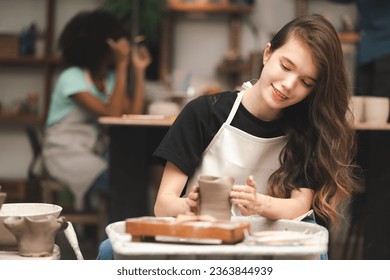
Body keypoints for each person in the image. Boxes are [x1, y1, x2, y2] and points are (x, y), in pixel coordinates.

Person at [97, 14, 358, 259]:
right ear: (268, 54)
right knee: (110, 249)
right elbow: (163, 205)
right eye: (286, 66)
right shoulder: (203, 113)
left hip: (267, 241)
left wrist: (259, 204)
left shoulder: (305, 130)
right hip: (203, 234)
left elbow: (299, 207)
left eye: (306, 82)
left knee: (316, 252)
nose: (289, 85)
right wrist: (189, 206)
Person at [42, 10, 151, 213]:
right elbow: (112, 116)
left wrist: (138, 70)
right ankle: (116, 240)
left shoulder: (109, 79)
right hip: (66, 154)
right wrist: (121, 65)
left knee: (135, 172)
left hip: (94, 153)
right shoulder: (72, 77)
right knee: (121, 181)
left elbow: (132, 116)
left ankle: (127, 236)